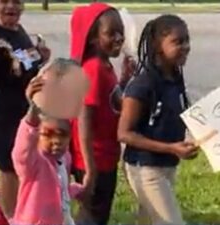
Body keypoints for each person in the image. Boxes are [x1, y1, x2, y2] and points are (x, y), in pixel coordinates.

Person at [0, 0, 51, 218]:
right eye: (4, 1)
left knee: (12, 168)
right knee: (11, 169)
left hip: (19, 114)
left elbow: (20, 62)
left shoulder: (17, 30)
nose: (11, 6)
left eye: (17, 1)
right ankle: (10, 218)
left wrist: (39, 56)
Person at [117, 14, 198, 225]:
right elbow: (124, 133)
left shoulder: (174, 78)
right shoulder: (143, 85)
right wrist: (171, 148)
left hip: (167, 165)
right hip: (145, 169)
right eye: (178, 41)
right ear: (157, 45)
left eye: (187, 40)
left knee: (149, 221)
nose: (186, 46)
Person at [69, 3, 134, 224]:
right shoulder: (93, 68)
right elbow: (83, 119)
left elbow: (112, 102)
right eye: (110, 33)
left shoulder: (104, 65)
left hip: (105, 156)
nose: (118, 38)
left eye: (121, 33)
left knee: (98, 213)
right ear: (93, 38)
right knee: (92, 216)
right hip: (94, 159)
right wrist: (89, 168)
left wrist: (124, 79)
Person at [11, 58, 84, 225]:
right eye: (48, 134)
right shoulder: (33, 162)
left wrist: (75, 190)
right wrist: (34, 108)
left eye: (62, 135)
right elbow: (22, 151)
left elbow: (58, 188)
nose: (56, 141)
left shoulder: (63, 157)